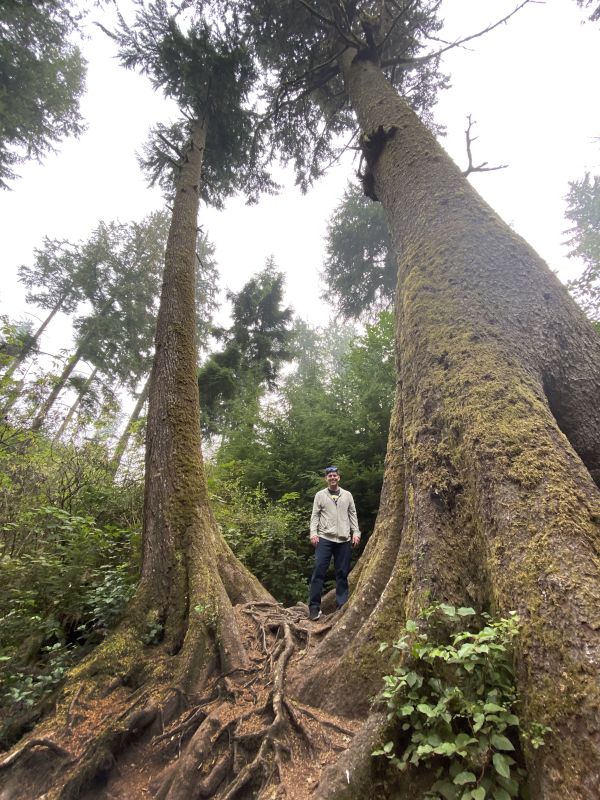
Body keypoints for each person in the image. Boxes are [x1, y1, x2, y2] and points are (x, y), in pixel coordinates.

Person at [307, 466, 361, 621]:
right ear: (326, 479)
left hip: (344, 540)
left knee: (342, 573)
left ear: (339, 478)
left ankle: (341, 605)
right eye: (329, 476)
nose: (332, 478)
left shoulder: (347, 495)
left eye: (335, 475)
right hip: (324, 538)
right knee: (319, 572)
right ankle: (314, 609)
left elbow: (352, 514)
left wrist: (356, 532)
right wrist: (313, 533)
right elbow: (315, 515)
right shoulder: (320, 495)